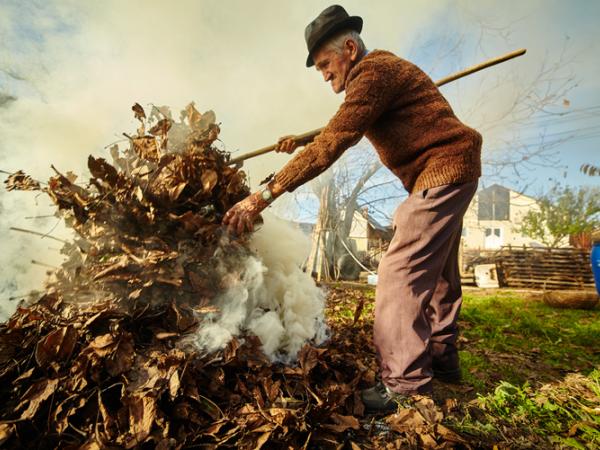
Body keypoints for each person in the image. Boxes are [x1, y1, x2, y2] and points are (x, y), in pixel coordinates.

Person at [223, 4, 481, 412]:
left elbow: (337, 139)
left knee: (400, 272)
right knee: (440, 272)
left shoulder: (373, 73)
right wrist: (301, 140)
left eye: (326, 63)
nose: (324, 74)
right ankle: (442, 358)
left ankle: (405, 385)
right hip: (455, 169)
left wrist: (264, 195)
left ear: (349, 48)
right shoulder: (377, 77)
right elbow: (336, 129)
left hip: (443, 170)